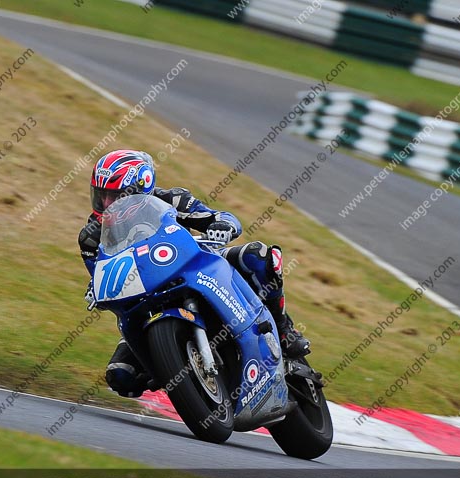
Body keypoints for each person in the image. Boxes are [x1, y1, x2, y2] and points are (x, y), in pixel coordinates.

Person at [78, 149, 310, 397]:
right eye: (102, 195)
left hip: (193, 264)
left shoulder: (171, 199)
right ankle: (179, 375)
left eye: (115, 196)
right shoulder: (91, 237)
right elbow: (101, 275)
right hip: (144, 303)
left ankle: (284, 329)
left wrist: (221, 226)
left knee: (259, 256)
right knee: (120, 375)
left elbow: (219, 217)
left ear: (141, 188)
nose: (107, 204)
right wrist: (97, 288)